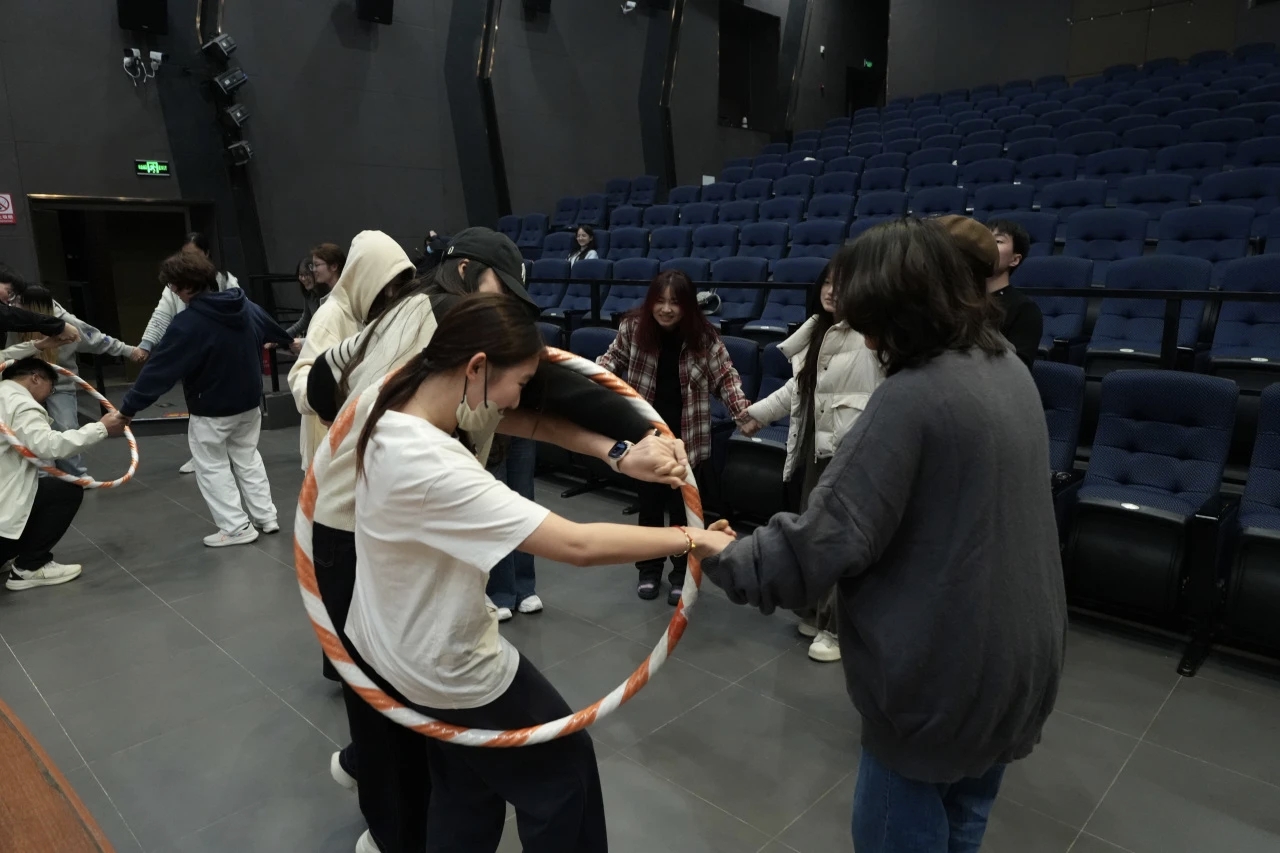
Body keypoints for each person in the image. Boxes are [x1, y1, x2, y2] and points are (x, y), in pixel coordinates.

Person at [304, 228, 694, 853]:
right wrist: (689, 534)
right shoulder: (435, 388)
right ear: (463, 275)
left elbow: (326, 385)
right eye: (500, 294)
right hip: (407, 604)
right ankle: (394, 834)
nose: (506, 309)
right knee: (544, 770)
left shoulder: (396, 395)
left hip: (382, 579)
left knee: (458, 765)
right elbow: (575, 539)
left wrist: (620, 451)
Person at [693, 218, 1067, 853]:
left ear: (904, 312)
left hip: (942, 676)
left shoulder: (914, 396)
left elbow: (819, 543)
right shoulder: (1006, 367)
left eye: (872, 323)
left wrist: (723, 553)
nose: (868, 339)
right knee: (964, 821)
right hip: (1020, 661)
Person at [738, 262, 882, 662]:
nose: (832, 291)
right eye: (828, 283)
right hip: (814, 445)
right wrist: (759, 414)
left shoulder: (873, 335)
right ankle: (816, 612)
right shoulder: (818, 330)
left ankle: (836, 628)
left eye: (843, 284)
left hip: (850, 448)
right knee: (814, 532)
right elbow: (799, 388)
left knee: (839, 538)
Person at [597, 269, 753, 604]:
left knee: (685, 514)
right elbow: (610, 362)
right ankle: (649, 570)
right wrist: (583, 384)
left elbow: (726, 378)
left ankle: (681, 573)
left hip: (688, 439)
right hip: (646, 438)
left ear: (687, 306)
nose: (666, 309)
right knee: (650, 509)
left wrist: (743, 413)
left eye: (675, 302)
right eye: (660, 301)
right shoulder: (632, 328)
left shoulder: (704, 337)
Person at [119, 247, 293, 547]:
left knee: (212, 465)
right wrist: (289, 342)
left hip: (212, 408)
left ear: (188, 286)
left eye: (174, 287)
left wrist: (127, 410)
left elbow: (159, 371)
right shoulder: (244, 305)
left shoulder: (188, 324)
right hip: (249, 402)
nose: (173, 292)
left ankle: (236, 528)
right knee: (247, 456)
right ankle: (266, 516)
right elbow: (271, 328)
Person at [289, 231, 413, 473]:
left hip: (361, 442)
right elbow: (302, 377)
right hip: (330, 445)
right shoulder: (331, 315)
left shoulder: (370, 315)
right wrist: (327, 403)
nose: (390, 294)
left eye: (397, 286)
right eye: (386, 286)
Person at [0, 358, 127, 590]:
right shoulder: (21, 403)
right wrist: (101, 428)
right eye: (51, 388)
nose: (49, 396)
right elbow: (49, 446)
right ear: (36, 378)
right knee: (64, 491)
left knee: (40, 488)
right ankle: (30, 567)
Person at [3, 285, 141, 476]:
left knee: (65, 426)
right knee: (27, 429)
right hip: (25, 386)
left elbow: (96, 339)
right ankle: (39, 475)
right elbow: (8, 356)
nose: (15, 306)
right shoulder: (16, 323)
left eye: (20, 303)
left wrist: (130, 351)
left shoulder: (65, 323)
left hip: (60, 384)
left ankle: (75, 474)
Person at [136, 233, 241, 475]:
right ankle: (203, 454)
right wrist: (145, 344)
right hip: (196, 355)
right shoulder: (175, 285)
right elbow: (161, 315)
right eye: (185, 255)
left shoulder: (226, 280)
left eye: (194, 254)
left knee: (230, 408)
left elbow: (244, 310)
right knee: (199, 405)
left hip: (226, 352)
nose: (190, 259)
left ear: (206, 254)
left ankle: (228, 452)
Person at [484, 435, 540, 621]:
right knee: (497, 505)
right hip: (489, 428)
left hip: (523, 424)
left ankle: (524, 587)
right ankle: (499, 591)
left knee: (524, 498)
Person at [982, 217, 1043, 369]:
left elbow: (1018, 368)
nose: (986, 245)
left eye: (998, 241)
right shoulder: (962, 298)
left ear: (1015, 259)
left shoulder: (1025, 309)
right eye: (984, 239)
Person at [0, 265, 82, 345]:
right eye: (9, 292)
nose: (11, 303)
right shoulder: (11, 320)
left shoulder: (64, 319)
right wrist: (58, 326)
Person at [284, 256, 328, 341]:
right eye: (301, 275)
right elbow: (305, 320)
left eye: (307, 274)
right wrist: (282, 336)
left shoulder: (328, 295)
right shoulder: (309, 295)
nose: (303, 278)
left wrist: (303, 342)